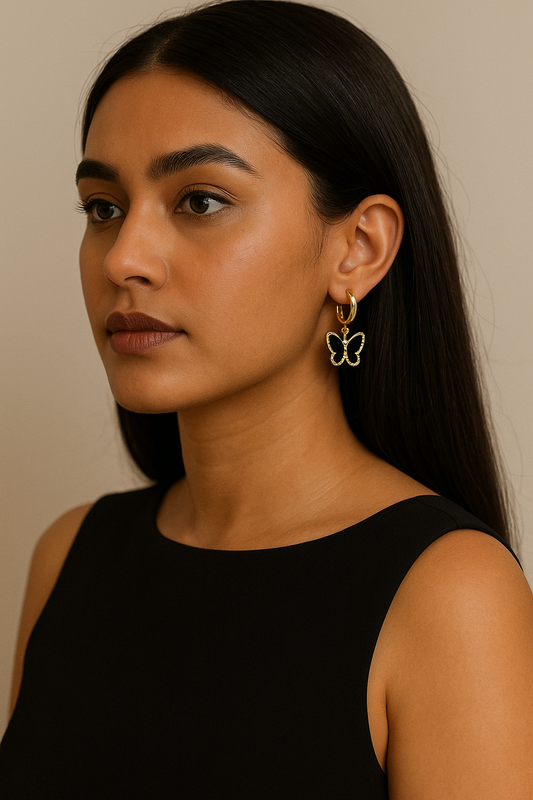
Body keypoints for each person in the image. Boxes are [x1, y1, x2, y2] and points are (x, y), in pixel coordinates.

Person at [1, 1, 532, 796]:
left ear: (357, 249)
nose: (124, 259)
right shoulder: (69, 555)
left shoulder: (448, 594)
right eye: (103, 209)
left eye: (200, 201)